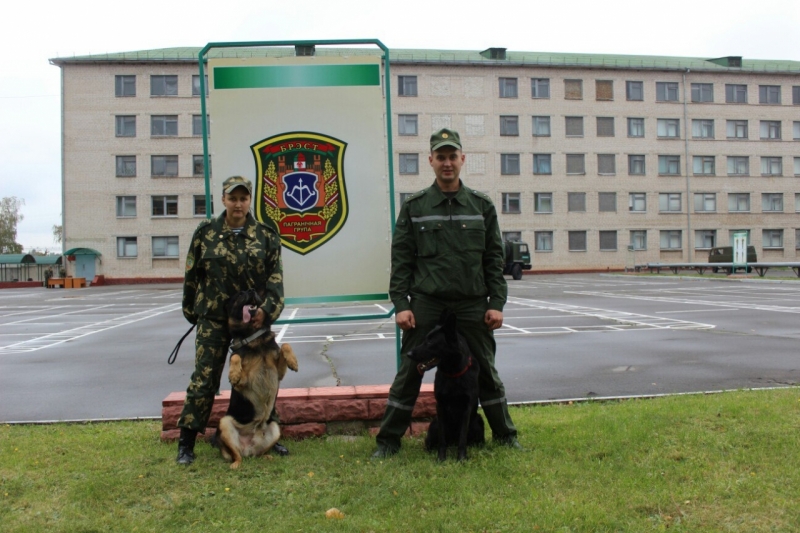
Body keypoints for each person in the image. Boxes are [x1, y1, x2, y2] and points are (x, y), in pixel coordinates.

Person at [373, 128, 520, 458]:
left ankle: (506, 435)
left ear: (462, 159)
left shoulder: (481, 206)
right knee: (410, 372)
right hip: (427, 303)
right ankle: (387, 442)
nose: (447, 163)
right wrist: (401, 304)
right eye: (441, 157)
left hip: (471, 305)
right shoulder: (415, 207)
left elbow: (493, 258)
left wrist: (496, 303)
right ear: (431, 161)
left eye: (453, 156)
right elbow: (401, 262)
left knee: (485, 371)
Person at [176, 175, 287, 465]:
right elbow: (192, 275)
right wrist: (191, 310)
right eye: (232, 198)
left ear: (249, 201)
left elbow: (276, 279)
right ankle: (186, 442)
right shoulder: (205, 233)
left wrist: (268, 310)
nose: (238, 204)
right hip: (213, 318)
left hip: (252, 321)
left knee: (264, 378)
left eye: (243, 198)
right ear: (223, 200)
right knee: (204, 378)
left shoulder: (265, 234)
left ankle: (266, 434)